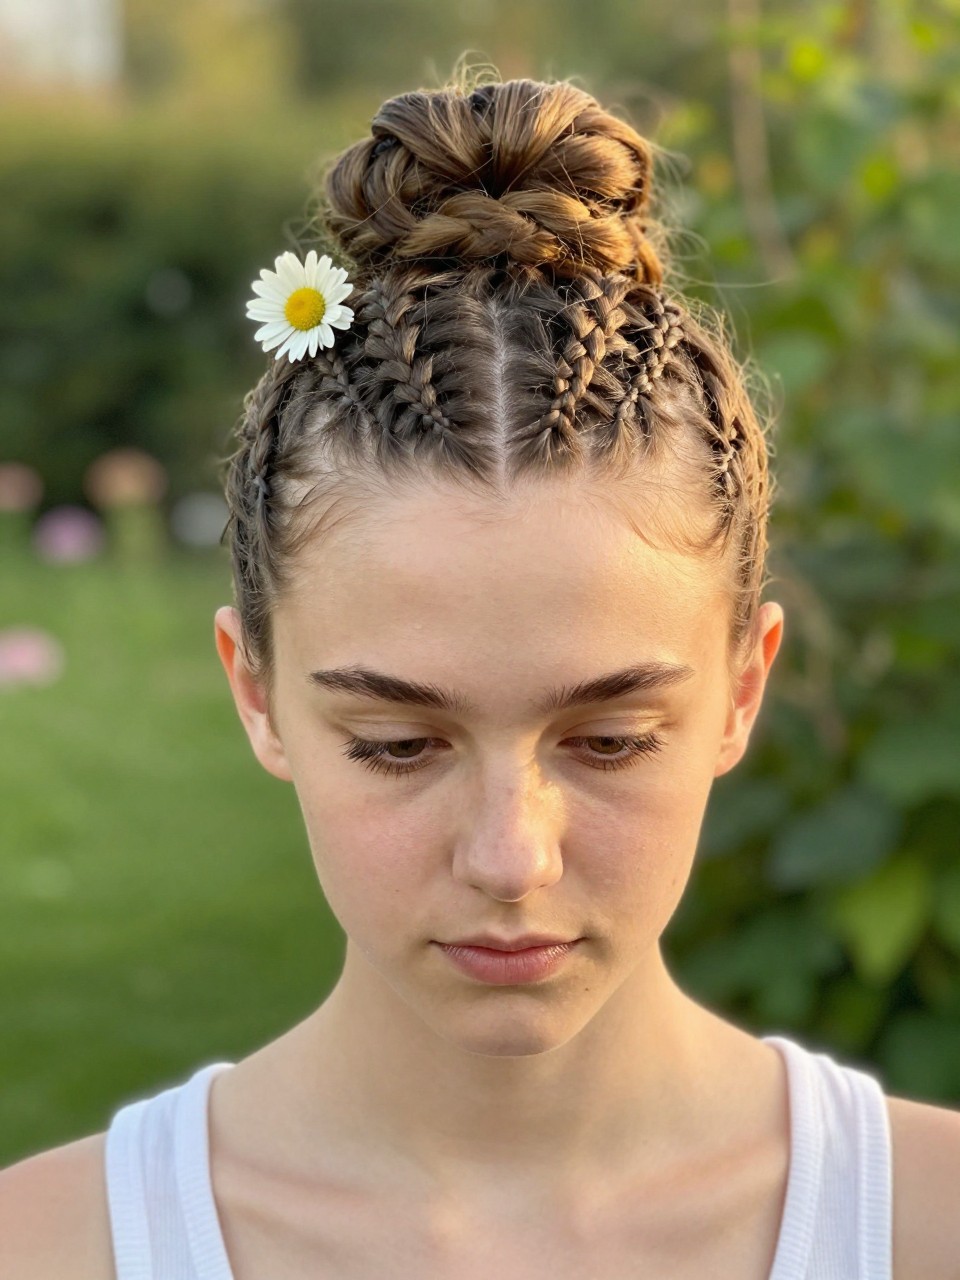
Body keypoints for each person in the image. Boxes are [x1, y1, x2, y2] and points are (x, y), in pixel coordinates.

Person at [2, 72, 959, 1280]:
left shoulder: (927, 1225)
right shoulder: (55, 1248)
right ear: (257, 692)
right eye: (397, 743)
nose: (511, 857)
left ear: (741, 688)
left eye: (610, 738)